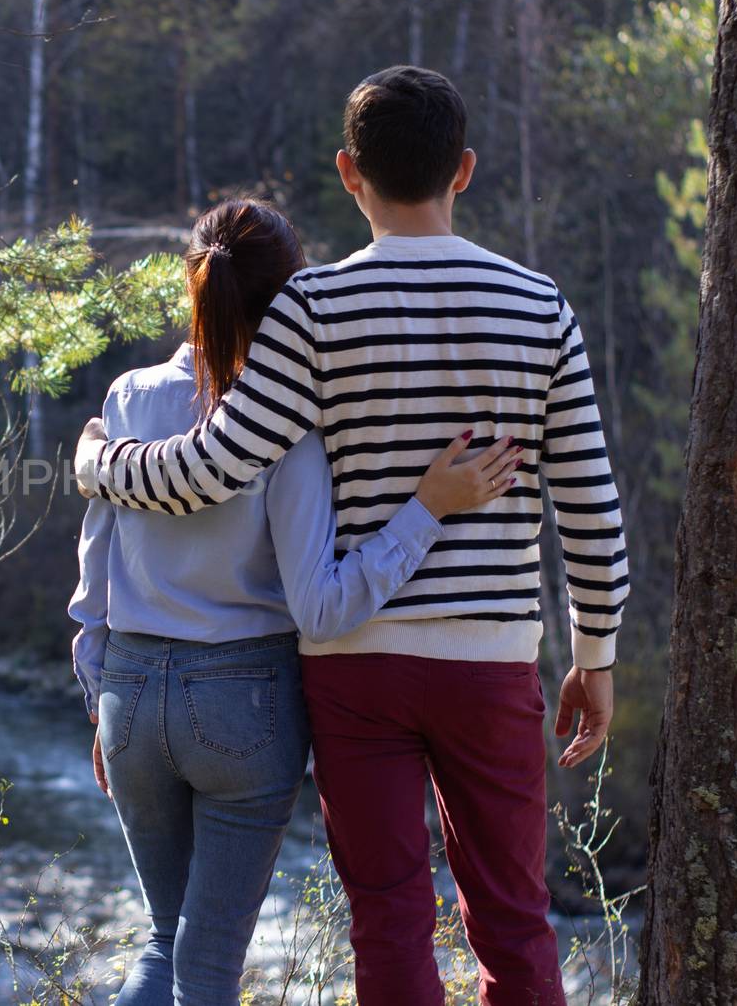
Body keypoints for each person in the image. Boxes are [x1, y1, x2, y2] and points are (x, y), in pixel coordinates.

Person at [73, 67, 629, 1006]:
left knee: (387, 913)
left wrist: (98, 466)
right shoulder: (542, 307)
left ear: (347, 172)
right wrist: (597, 654)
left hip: (352, 663)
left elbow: (214, 464)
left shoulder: (312, 310)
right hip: (489, 658)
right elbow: (589, 502)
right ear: (464, 169)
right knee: (514, 914)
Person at [69, 197, 523, 1005]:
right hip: (242, 703)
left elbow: (92, 579)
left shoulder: (129, 397)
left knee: (160, 944)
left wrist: (101, 700)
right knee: (204, 968)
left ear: (193, 284)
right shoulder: (288, 425)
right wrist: (425, 511)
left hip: (128, 695)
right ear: (293, 299)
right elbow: (321, 607)